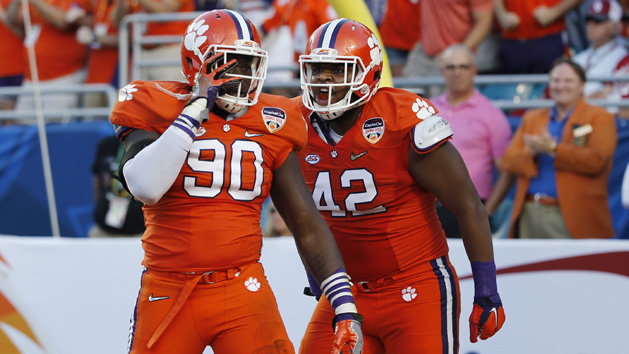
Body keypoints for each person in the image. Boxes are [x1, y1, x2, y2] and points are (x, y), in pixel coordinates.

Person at [110, 10, 362, 353]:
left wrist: (343, 304)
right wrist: (195, 108)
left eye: (249, 64)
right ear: (197, 63)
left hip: (243, 286)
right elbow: (144, 186)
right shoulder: (156, 103)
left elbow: (305, 221)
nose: (243, 75)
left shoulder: (275, 119)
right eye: (230, 64)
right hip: (169, 287)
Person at [295, 18, 505, 353]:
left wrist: (486, 289)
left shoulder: (401, 117)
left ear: (369, 73)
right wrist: (316, 274)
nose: (323, 80)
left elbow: (468, 205)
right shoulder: (293, 122)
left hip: (414, 285)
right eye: (317, 69)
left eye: (337, 70)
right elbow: (302, 216)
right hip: (346, 292)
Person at [501, 58, 617, 239]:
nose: (561, 86)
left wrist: (553, 149)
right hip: (530, 213)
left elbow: (597, 161)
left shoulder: (600, 117)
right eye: (556, 80)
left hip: (576, 216)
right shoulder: (532, 118)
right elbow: (508, 162)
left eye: (568, 81)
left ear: (582, 86)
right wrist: (532, 152)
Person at [431, 44, 513, 238]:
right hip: (428, 208)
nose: (457, 73)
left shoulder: (491, 114)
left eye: (463, 67)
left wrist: (487, 212)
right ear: (442, 70)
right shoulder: (428, 108)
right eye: (451, 67)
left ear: (474, 71)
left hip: (469, 208)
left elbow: (507, 170)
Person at [6, 0, 90, 118]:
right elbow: (13, 20)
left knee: (54, 129)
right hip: (32, 78)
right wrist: (15, 2)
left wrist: (36, 2)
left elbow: (64, 22)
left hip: (63, 76)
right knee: (22, 127)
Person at [402, 0, 494, 78]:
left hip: (453, 62)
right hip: (423, 53)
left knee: (446, 98)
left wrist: (457, 54)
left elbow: (484, 23)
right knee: (409, 95)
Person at [112, 0, 195, 82]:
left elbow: (165, 12)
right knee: (139, 93)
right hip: (140, 50)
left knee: (169, 92)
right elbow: (119, 23)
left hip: (169, 50)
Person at [493, 0, 581, 74]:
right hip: (512, 37)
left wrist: (555, 12)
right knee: (510, 91)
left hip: (548, 36)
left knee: (551, 88)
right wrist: (501, 14)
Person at [88, 135, 145, 237]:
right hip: (104, 231)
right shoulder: (106, 145)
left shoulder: (152, 145)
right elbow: (97, 178)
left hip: (141, 232)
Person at [572, 0, 628, 99]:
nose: (591, 26)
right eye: (589, 21)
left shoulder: (623, 57)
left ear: (614, 27)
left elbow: (610, 94)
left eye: (598, 21)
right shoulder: (579, 57)